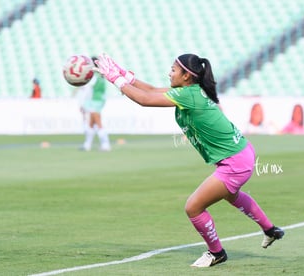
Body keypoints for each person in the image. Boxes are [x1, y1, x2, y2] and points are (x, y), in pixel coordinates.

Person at [94, 53, 284, 267]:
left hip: (235, 162)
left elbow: (145, 100)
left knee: (193, 207)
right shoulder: (189, 91)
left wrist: (115, 79)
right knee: (232, 196)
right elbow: (151, 91)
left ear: (186, 76)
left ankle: (217, 253)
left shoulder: (188, 95)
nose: (169, 72)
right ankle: (271, 230)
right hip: (241, 153)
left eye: (173, 69)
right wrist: (123, 74)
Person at [80, 56, 111, 151]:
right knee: (91, 123)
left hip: (94, 101)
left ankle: (105, 144)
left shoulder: (93, 76)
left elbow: (88, 90)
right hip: (99, 100)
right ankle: (87, 145)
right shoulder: (101, 74)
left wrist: (83, 104)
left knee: (97, 123)